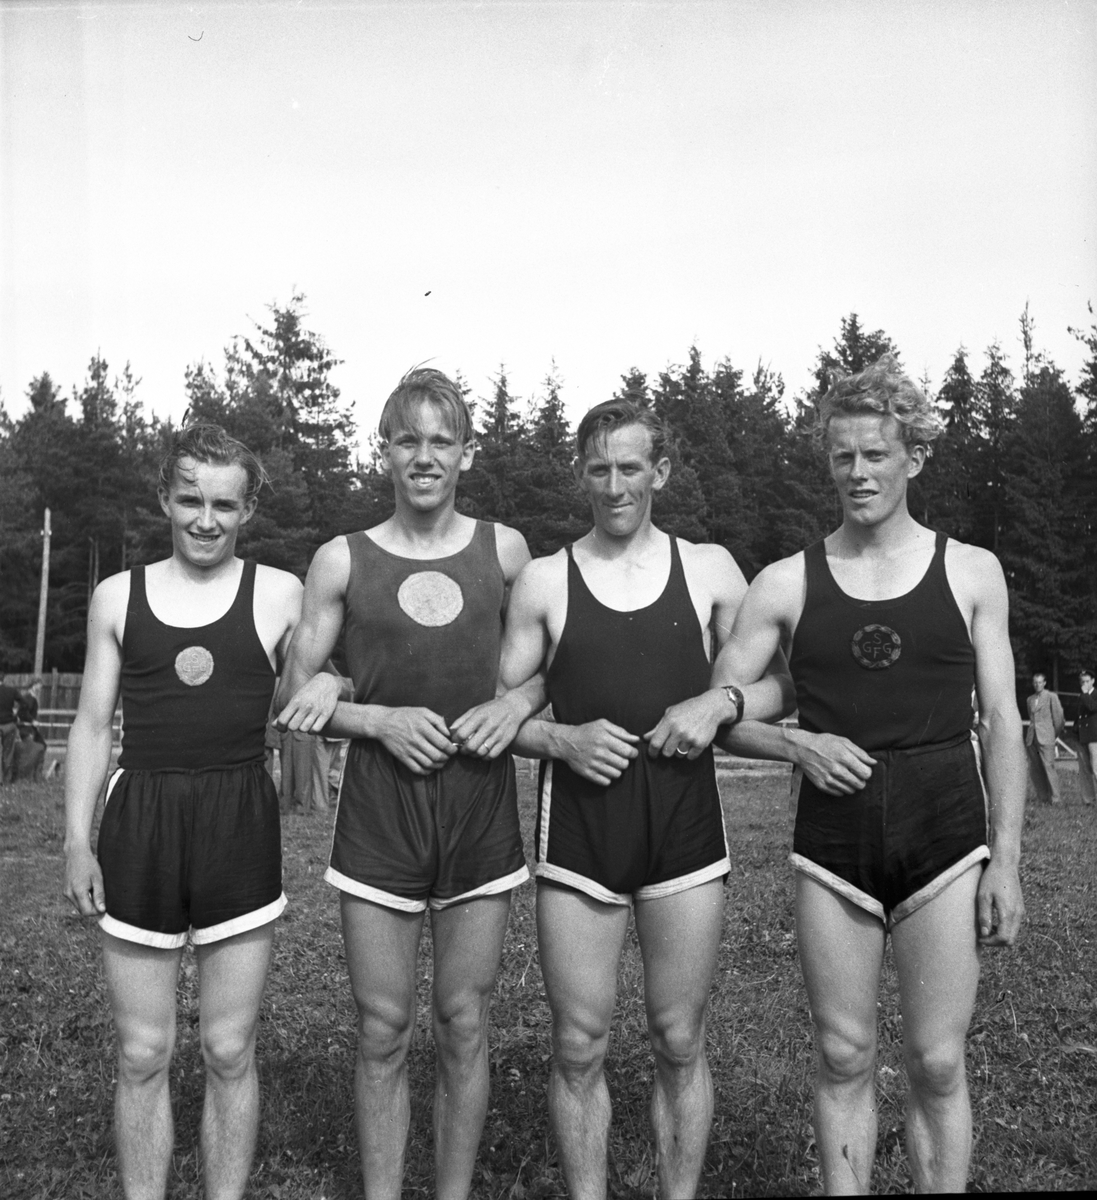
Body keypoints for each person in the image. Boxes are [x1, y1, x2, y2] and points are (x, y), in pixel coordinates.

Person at [672, 355, 1025, 1193]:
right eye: (842, 457)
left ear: (913, 457)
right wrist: (800, 746)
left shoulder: (970, 571)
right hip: (833, 837)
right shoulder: (783, 583)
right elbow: (718, 713)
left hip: (944, 828)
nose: (857, 473)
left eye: (875, 454)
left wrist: (1005, 861)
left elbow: (1002, 720)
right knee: (841, 1053)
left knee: (937, 1060)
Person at [496, 399, 790, 1200]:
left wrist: (718, 702)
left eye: (629, 467)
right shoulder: (544, 580)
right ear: (579, 474)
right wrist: (562, 740)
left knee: (678, 1037)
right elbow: (496, 714)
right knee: (577, 1043)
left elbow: (779, 683)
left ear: (659, 471)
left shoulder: (709, 569)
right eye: (598, 469)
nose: (614, 485)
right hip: (579, 830)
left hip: (683, 825)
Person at [275, 367, 538, 1200]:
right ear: (383, 450)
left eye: (440, 441)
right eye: (408, 441)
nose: (424, 457)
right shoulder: (340, 558)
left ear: (466, 453)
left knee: (463, 1022)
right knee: (383, 1028)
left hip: (479, 807)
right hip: (380, 813)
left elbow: (549, 664)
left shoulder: (505, 550)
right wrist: (373, 716)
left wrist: (517, 704)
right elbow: (293, 695)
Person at [63, 423, 304, 1200]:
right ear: (164, 499)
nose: (206, 520)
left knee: (230, 1048)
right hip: (142, 821)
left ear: (248, 509)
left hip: (239, 821)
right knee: (142, 1052)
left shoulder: (280, 594)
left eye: (224, 505)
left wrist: (332, 681)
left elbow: (319, 687)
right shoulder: (118, 596)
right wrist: (76, 843)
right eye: (190, 500)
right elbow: (91, 724)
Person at [1025, 672, 1064, 805]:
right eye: (1035, 682)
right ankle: (1043, 797)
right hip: (1032, 738)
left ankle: (1056, 798)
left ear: (1045, 683)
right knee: (1036, 769)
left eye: (1040, 682)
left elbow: (1059, 719)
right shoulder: (1030, 699)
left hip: (1046, 737)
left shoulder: (1051, 696)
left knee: (1049, 766)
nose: (1037, 685)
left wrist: (1053, 734)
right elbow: (1032, 717)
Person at [1, 673, 33, 784]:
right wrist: (17, 715)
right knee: (8, 753)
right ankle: (6, 780)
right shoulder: (11, 691)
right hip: (9, 724)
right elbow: (25, 704)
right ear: (3, 679)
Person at [1075, 670, 1096, 806]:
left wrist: (1085, 694)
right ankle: (1089, 800)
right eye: (1082, 681)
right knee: (1084, 770)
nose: (1084, 684)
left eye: (1087, 681)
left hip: (1094, 736)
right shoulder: (1082, 696)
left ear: (1093, 681)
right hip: (1081, 735)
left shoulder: (1091, 695)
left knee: (1095, 768)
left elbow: (1092, 707)